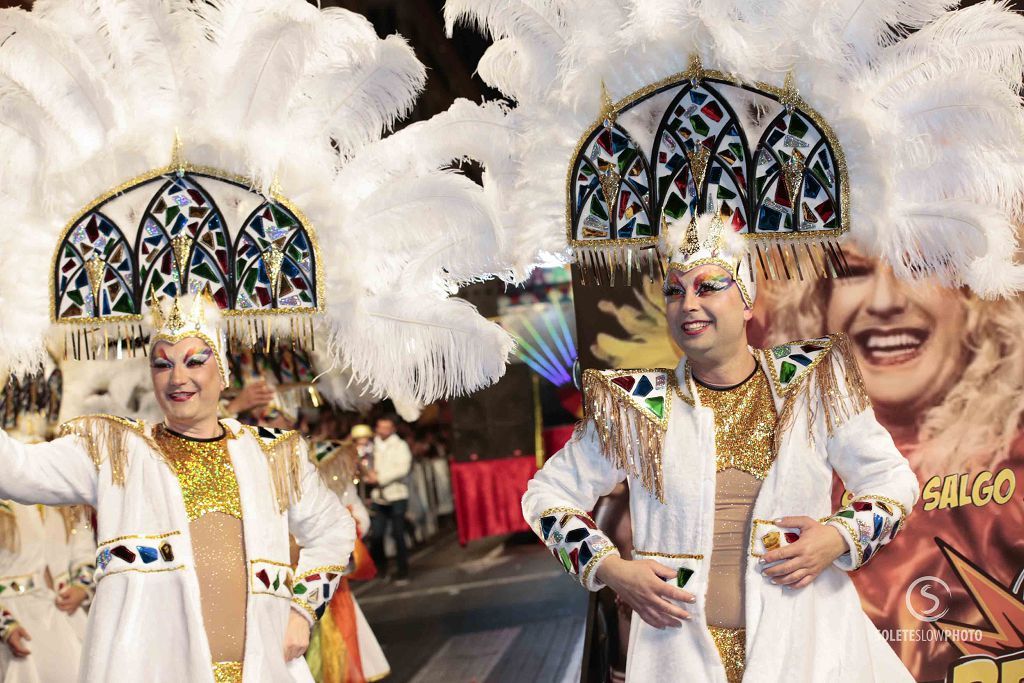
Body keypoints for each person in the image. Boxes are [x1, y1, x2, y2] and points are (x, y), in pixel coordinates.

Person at [523, 215, 919, 682]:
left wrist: (838, 536)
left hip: (811, 648)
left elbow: (893, 480)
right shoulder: (636, 405)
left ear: (746, 300)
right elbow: (545, 497)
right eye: (674, 291)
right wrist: (611, 569)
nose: (689, 304)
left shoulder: (811, 381)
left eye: (709, 286)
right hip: (678, 657)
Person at [0, 293, 355, 682]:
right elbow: (17, 470)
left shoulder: (274, 454)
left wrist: (301, 611)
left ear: (222, 372)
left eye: (194, 361)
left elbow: (333, 529)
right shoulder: (115, 451)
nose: (177, 378)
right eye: (162, 364)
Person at [763, 248, 1024, 680]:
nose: (885, 302)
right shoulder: (766, 456)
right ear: (816, 301)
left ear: (974, 297)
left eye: (919, 265)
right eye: (852, 271)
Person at [365, 416, 413, 583]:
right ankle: (381, 569)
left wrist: (380, 479)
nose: (383, 430)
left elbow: (403, 469)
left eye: (387, 427)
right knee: (377, 535)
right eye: (381, 427)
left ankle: (403, 570)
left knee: (398, 534)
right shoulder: (370, 447)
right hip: (379, 497)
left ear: (393, 429)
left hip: (397, 495)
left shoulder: (400, 446)